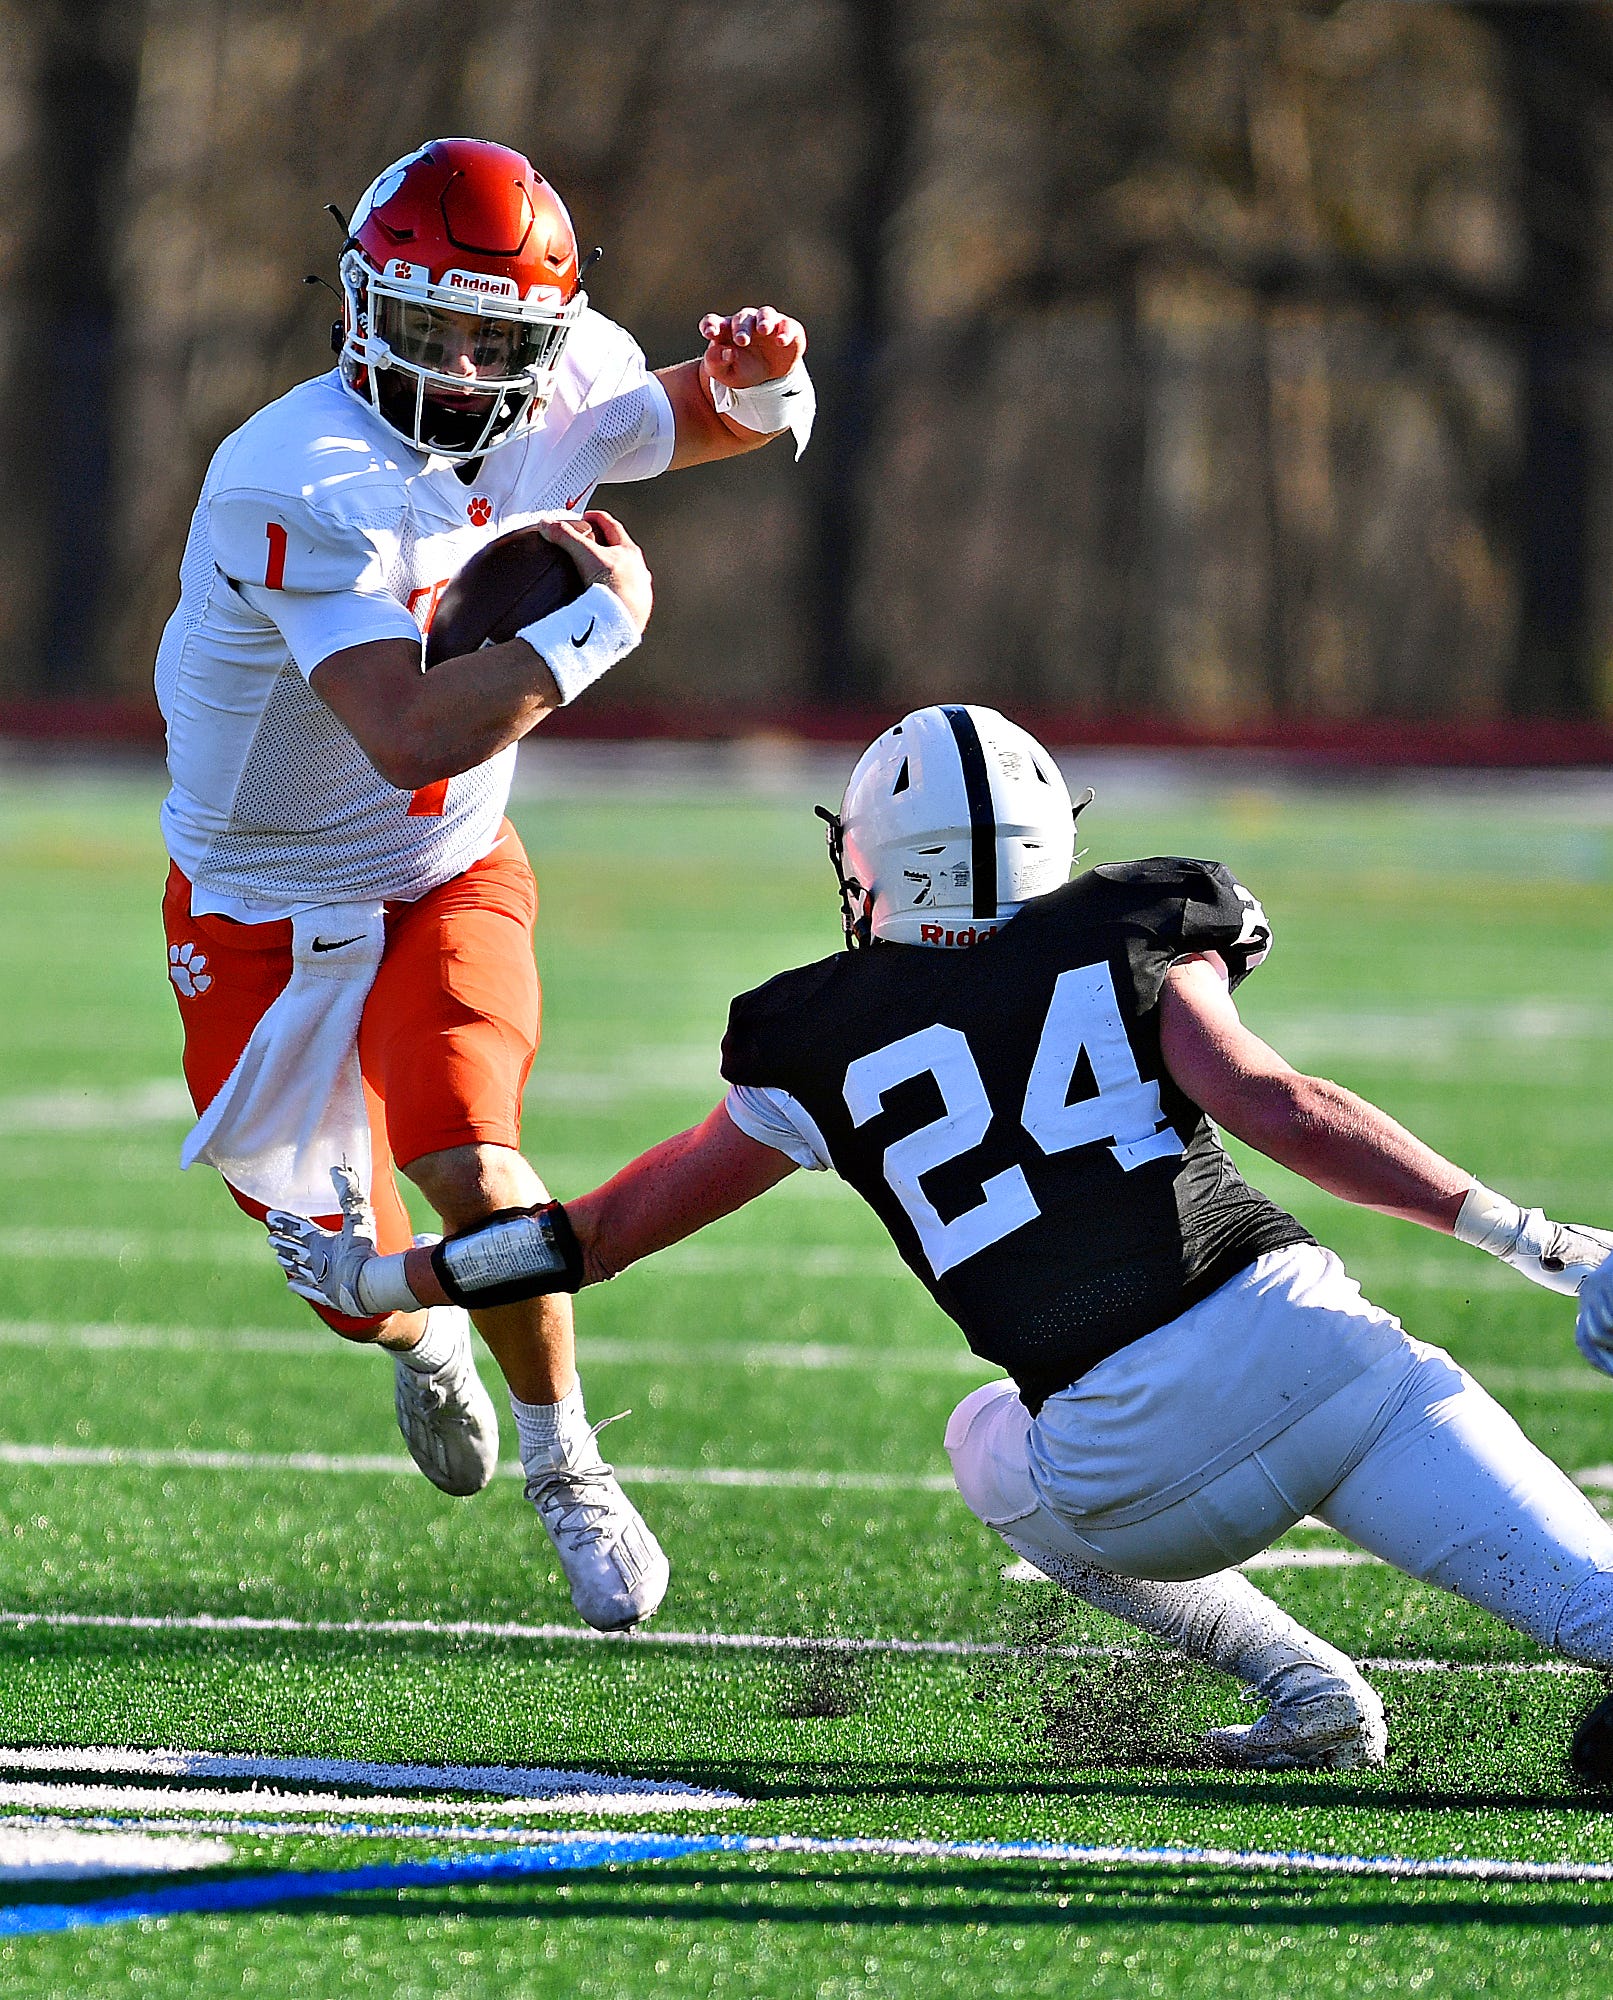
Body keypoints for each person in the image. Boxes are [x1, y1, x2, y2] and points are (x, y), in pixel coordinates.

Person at [267, 703, 1613, 1771]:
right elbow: (1279, 1106)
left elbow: (597, 1235)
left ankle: (1304, 1689)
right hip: (1320, 1361)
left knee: (984, 1441)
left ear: (861, 861)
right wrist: (1537, 1242)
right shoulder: (1134, 922)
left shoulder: (808, 1034)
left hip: (1118, 1473)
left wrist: (388, 1273)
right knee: (1594, 1607)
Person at [155, 136, 813, 1635]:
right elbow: (402, 733)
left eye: (490, 340)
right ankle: (417, 1346)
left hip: (448, 870)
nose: (457, 370)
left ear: (539, 337)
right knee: (349, 1281)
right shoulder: (294, 474)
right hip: (255, 905)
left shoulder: (564, 377)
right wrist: (602, 631)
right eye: (427, 327)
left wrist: (766, 374)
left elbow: (704, 417)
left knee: (470, 1156)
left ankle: (566, 1460)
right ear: (357, 303)